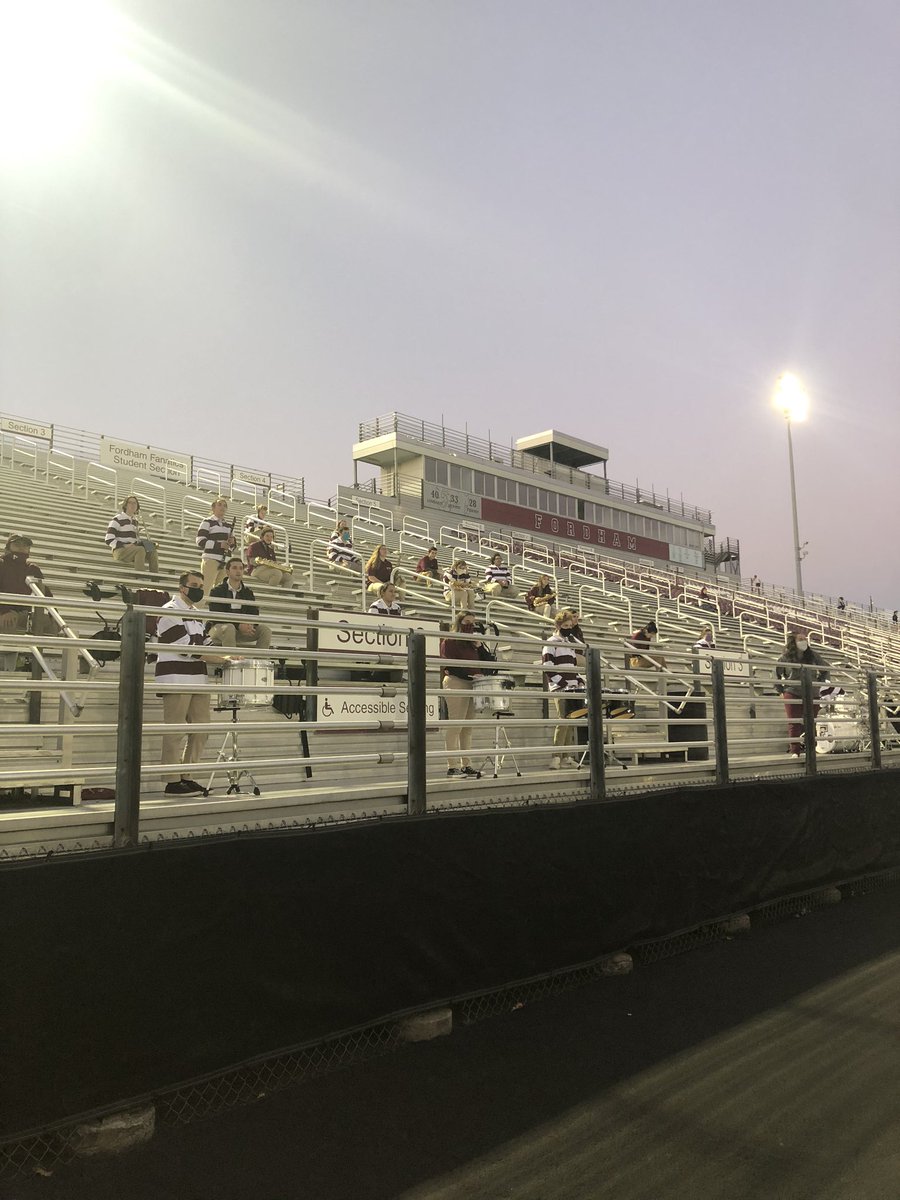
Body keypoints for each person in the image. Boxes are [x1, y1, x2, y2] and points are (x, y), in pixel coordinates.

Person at [155, 570, 227, 795]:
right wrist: (220, 659)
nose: (198, 589)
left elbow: (206, 644)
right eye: (194, 585)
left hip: (198, 678)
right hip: (176, 679)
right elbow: (187, 648)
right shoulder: (168, 611)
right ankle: (172, 781)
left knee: (201, 729)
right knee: (175, 731)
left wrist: (227, 656)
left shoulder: (196, 614)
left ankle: (187, 775)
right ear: (182, 587)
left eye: (201, 586)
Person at [439, 610, 485, 779]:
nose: (470, 626)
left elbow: (487, 661)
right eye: (466, 622)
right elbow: (450, 664)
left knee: (467, 727)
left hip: (472, 683)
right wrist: (469, 675)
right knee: (456, 725)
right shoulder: (450, 641)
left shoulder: (472, 643)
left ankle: (466, 764)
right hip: (456, 681)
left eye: (472, 623)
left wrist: (480, 646)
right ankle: (452, 766)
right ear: (459, 623)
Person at [0, 535, 55, 669]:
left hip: (23, 614)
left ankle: (30, 664)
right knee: (10, 621)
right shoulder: (1, 563)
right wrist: (4, 611)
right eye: (17, 544)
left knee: (50, 623)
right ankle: (9, 671)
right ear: (8, 547)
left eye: (25, 545)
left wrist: (54, 615)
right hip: (4, 612)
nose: (21, 548)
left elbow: (46, 593)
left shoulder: (32, 568)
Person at [542, 610, 587, 770]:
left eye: (570, 626)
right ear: (558, 625)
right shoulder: (551, 642)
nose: (568, 628)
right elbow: (548, 667)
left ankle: (566, 756)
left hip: (572, 687)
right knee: (563, 721)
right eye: (565, 626)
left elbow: (572, 666)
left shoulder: (569, 644)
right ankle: (556, 756)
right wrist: (562, 683)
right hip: (560, 687)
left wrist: (579, 681)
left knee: (570, 721)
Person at [776, 632, 828, 757]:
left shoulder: (813, 655)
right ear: (793, 642)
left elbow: (825, 669)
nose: (804, 641)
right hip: (792, 691)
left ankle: (811, 750)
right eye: (800, 639)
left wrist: (819, 682)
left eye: (805, 639)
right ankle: (795, 751)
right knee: (794, 722)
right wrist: (780, 690)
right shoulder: (785, 657)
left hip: (811, 692)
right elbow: (777, 673)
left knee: (811, 722)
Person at [207, 559, 272, 650]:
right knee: (229, 628)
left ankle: (260, 659)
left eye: (241, 568)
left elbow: (254, 612)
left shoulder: (248, 592)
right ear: (227, 572)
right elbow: (217, 615)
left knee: (265, 630)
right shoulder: (217, 591)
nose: (238, 571)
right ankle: (231, 658)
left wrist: (249, 625)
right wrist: (238, 625)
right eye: (234, 568)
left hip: (240, 630)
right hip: (218, 628)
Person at [105, 495, 160, 573]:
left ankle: (155, 578)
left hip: (133, 550)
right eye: (130, 503)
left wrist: (147, 544)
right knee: (140, 550)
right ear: (125, 505)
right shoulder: (117, 519)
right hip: (120, 551)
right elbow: (108, 539)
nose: (133, 505)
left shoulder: (135, 521)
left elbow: (134, 541)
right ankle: (140, 577)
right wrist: (124, 545)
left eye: (135, 503)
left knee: (152, 550)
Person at [196, 497, 235, 596]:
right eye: (220, 504)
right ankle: (200, 606)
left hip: (226, 561)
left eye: (225, 505)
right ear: (213, 508)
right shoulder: (207, 521)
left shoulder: (229, 525)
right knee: (206, 588)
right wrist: (219, 545)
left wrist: (232, 543)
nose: (223, 507)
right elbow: (200, 541)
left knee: (221, 592)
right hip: (211, 560)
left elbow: (233, 547)